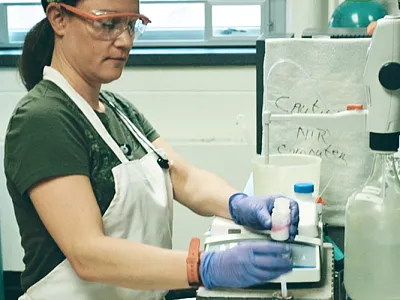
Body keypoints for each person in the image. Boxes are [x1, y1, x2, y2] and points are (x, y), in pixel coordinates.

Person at [3, 0, 300, 299]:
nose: (125, 41)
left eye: (132, 25)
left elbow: (182, 178)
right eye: (108, 24)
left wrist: (239, 204)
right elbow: (87, 253)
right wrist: (202, 267)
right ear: (59, 18)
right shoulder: (42, 119)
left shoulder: (119, 111)